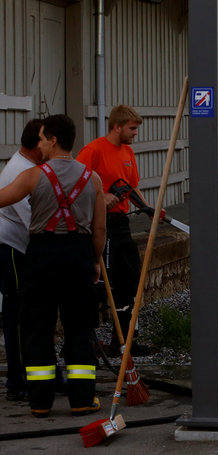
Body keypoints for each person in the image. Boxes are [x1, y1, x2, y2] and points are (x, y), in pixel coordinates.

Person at [0, 114, 106, 417]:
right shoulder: (92, 179)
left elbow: (3, 198)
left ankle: (40, 402)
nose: (40, 144)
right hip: (78, 255)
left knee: (37, 328)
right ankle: (82, 399)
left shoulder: (33, 176)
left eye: (43, 138)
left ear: (54, 140)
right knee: (79, 328)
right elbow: (100, 230)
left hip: (42, 256)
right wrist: (95, 260)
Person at [77, 105, 145, 354]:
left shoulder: (128, 152)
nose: (135, 133)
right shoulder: (93, 151)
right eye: (132, 128)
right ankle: (85, 341)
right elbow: (76, 182)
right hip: (98, 223)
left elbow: (132, 187)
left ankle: (124, 339)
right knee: (99, 281)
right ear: (117, 127)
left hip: (121, 223)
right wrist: (101, 196)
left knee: (130, 276)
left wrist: (149, 208)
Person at [0, 119, 43, 401]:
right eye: (48, 141)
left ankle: (32, 374)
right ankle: (17, 381)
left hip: (20, 247)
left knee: (28, 313)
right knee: (16, 314)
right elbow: (35, 220)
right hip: (12, 248)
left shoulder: (29, 167)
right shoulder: (20, 171)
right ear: (38, 145)